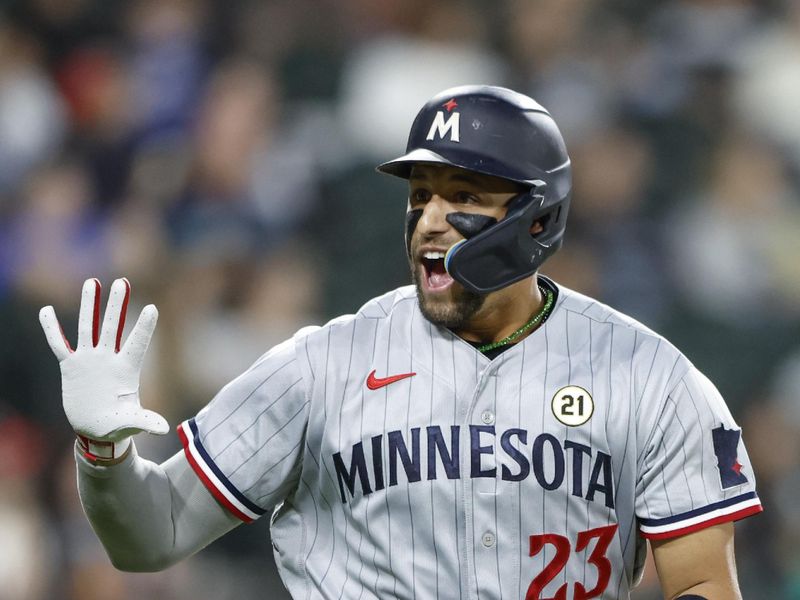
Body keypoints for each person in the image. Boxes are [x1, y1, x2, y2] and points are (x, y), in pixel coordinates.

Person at [40, 85, 762, 599]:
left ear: (538, 221)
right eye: (421, 196)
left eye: (464, 197)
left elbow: (701, 581)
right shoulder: (321, 368)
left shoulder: (650, 377)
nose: (430, 220)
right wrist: (105, 458)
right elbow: (149, 537)